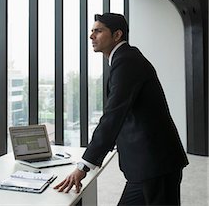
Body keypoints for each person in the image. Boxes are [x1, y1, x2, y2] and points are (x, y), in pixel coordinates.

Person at [54, 13, 188, 205]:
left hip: (154, 164)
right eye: (91, 31)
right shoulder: (124, 59)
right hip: (150, 163)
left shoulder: (126, 61)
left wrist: (83, 166)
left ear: (117, 35)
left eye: (98, 31)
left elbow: (113, 115)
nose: (91, 36)